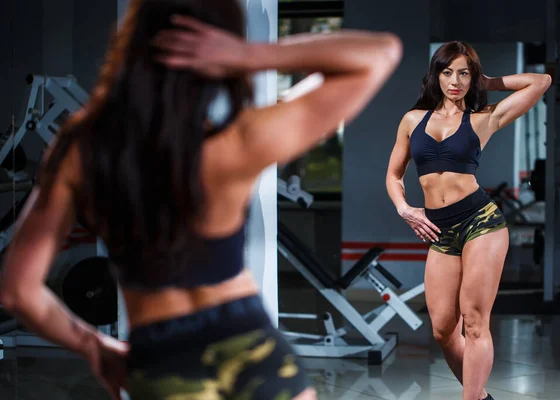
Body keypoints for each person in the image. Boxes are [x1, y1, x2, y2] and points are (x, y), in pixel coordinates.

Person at [0, 1, 402, 399]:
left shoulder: (82, 146)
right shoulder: (237, 141)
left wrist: (92, 345)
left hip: (164, 356)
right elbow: (382, 52)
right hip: (251, 345)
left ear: (133, 44)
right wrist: (249, 55)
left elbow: (17, 290)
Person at [386, 41, 550, 400]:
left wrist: (487, 81)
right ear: (436, 75)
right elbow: (394, 175)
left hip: (482, 223)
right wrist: (405, 208)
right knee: (444, 330)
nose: (455, 81)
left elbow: (541, 81)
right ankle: (481, 396)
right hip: (440, 230)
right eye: (447, 72)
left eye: (463, 72)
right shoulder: (413, 120)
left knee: (474, 322)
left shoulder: (483, 118)